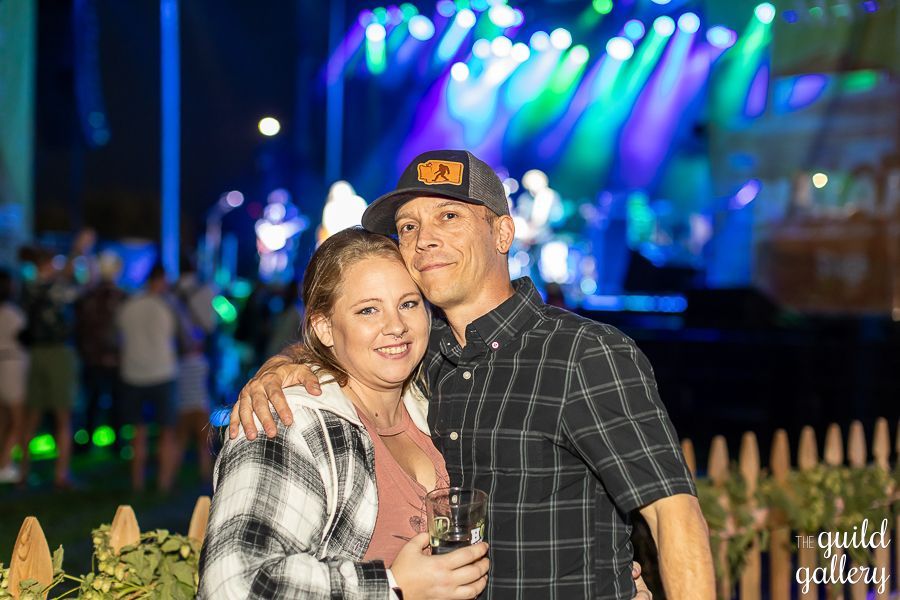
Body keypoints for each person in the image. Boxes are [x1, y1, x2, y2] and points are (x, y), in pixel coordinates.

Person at [232, 150, 715, 599]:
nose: (425, 239)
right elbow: (349, 349)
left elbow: (674, 515)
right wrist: (283, 366)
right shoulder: (420, 357)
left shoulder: (583, 354)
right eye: (407, 226)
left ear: (503, 234)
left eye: (449, 216)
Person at [199, 228, 489, 599]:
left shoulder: (432, 400)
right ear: (324, 327)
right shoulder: (291, 422)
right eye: (368, 310)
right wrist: (393, 587)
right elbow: (233, 584)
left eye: (409, 303)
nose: (396, 326)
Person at [116, 264, 178, 492]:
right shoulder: (165, 305)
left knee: (138, 431)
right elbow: (177, 336)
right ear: (160, 280)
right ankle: (164, 483)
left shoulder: (129, 305)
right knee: (166, 431)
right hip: (162, 372)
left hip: (132, 373)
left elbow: (119, 335)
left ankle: (137, 482)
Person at [75, 251, 127, 442]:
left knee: (93, 401)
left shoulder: (88, 298)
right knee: (115, 402)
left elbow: (81, 329)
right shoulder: (122, 297)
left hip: (93, 358)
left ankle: (86, 440)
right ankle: (117, 442)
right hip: (112, 359)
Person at [0, 269, 27, 483]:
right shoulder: (12, 313)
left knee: (4, 418)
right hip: (11, 364)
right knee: (19, 419)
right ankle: (5, 463)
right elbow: (24, 336)